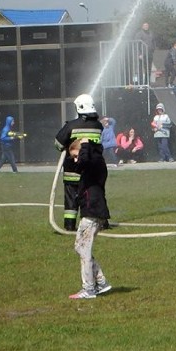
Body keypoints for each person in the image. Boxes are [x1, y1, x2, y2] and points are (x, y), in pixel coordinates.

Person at [67, 138, 112, 299]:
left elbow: (83, 161)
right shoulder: (91, 162)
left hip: (93, 211)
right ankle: (101, 282)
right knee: (80, 247)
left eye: (76, 155)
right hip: (90, 211)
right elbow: (79, 165)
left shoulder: (95, 161)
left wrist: (85, 145)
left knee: (84, 250)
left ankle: (89, 289)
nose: (76, 160)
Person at [55, 94, 103, 231]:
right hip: (92, 170)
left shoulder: (71, 126)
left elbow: (58, 144)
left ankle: (69, 225)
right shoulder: (98, 126)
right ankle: (100, 222)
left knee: (71, 199)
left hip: (73, 169)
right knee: (94, 196)